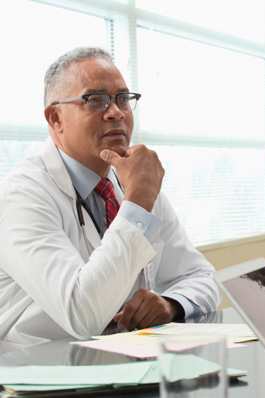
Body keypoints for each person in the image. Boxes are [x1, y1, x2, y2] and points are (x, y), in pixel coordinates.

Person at [0, 47, 221, 352]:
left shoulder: (131, 182)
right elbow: (82, 314)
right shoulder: (22, 195)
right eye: (96, 100)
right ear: (56, 118)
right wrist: (137, 203)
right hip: (39, 369)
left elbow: (201, 276)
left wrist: (170, 303)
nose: (116, 111)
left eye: (123, 99)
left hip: (119, 362)